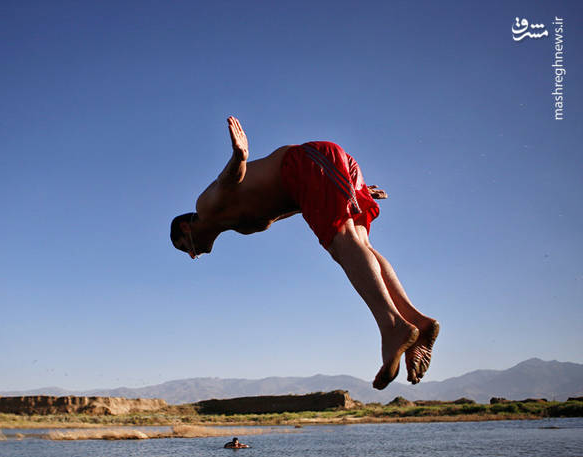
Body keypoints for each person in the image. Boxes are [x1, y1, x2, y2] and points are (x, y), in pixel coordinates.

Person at [170, 117, 439, 390]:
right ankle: (417, 321)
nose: (191, 254)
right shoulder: (241, 225)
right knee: (358, 243)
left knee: (343, 241)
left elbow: (228, 182)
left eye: (184, 246)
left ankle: (393, 325)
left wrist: (239, 156)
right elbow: (294, 203)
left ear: (184, 227)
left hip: (307, 162)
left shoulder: (204, 207)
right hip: (320, 172)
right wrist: (345, 187)